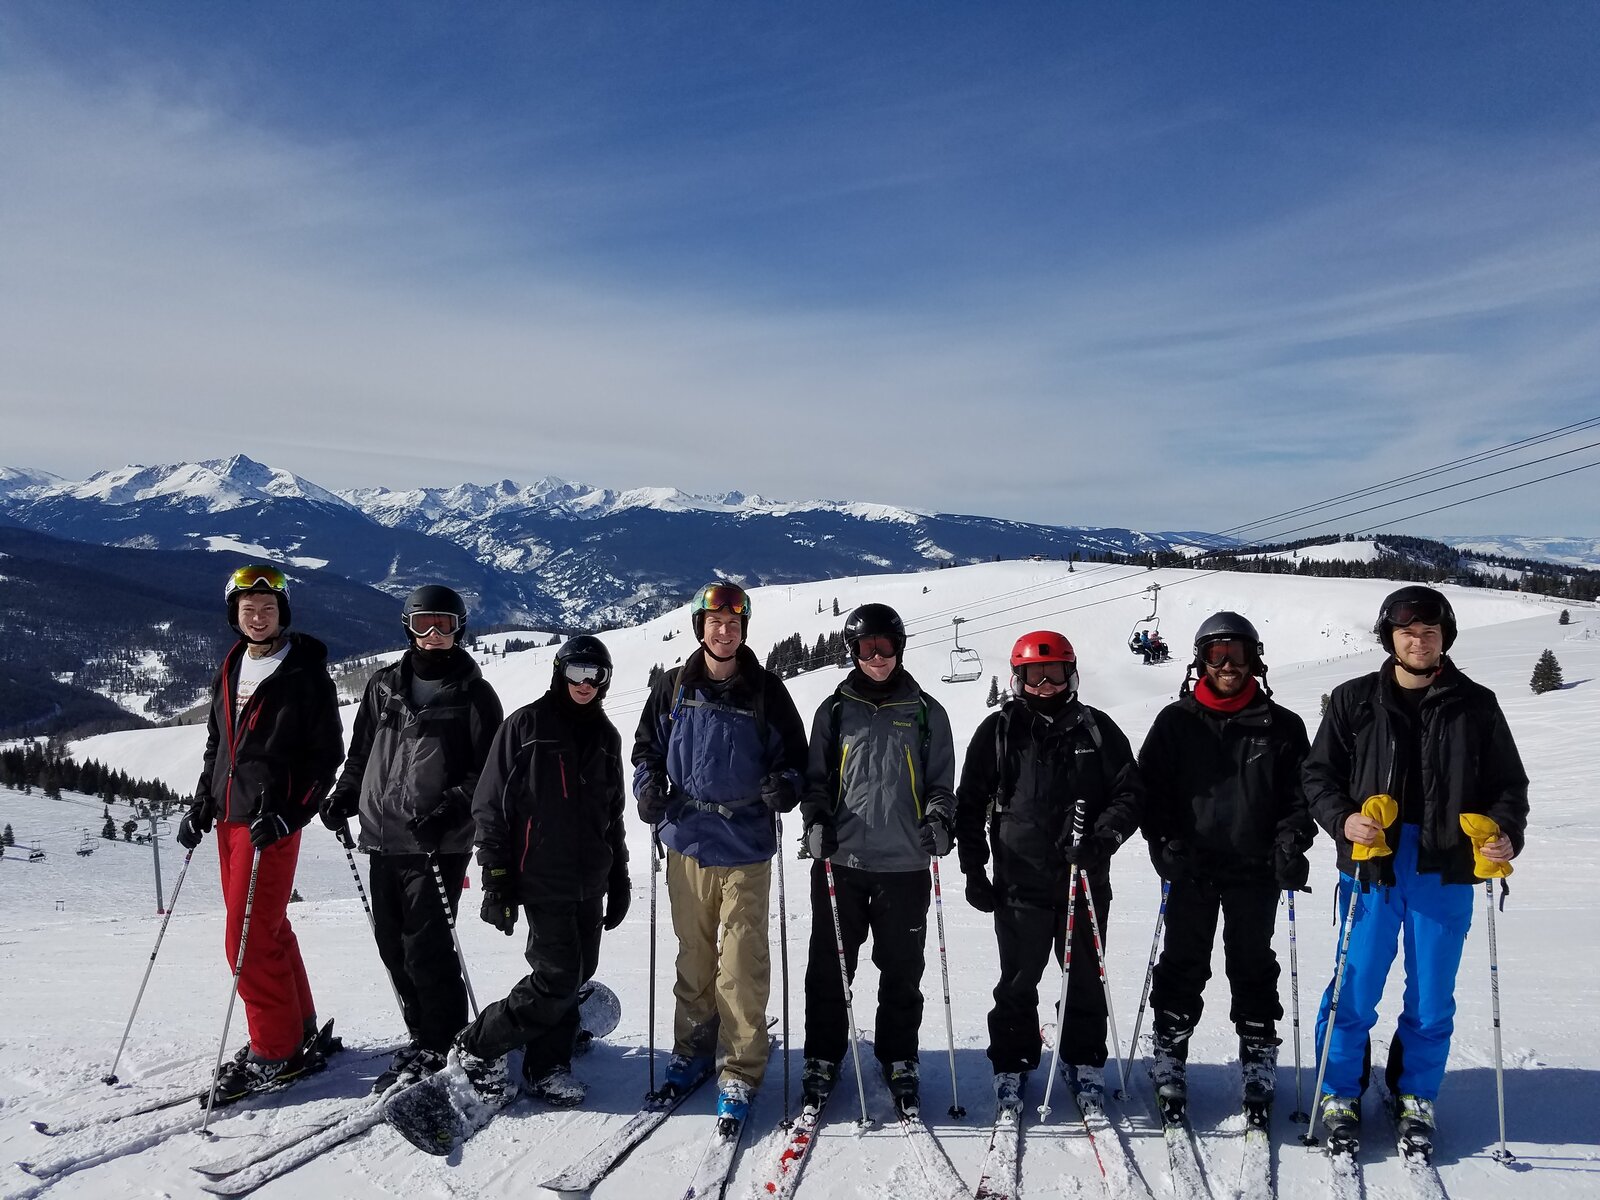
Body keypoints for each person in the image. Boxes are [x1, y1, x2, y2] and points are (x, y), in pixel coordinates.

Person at [1304, 585, 1526, 1151]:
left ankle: (1414, 1093)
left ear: (1445, 637)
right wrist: (1343, 820)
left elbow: (1508, 787)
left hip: (1445, 861)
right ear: (1390, 637)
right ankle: (1338, 1091)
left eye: (1430, 631)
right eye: (1407, 631)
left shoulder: (1476, 704)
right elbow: (1317, 777)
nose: (1419, 640)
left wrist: (1502, 834)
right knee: (1354, 987)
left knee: (1431, 995)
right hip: (1373, 863)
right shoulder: (1354, 701)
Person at [632, 580, 808, 1128]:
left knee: (740, 963)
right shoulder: (672, 688)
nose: (724, 632)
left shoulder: (765, 691)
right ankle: (692, 1050)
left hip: (746, 845)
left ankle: (740, 1066)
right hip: (685, 840)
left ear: (743, 630)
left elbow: (795, 759)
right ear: (700, 628)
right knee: (694, 956)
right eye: (715, 624)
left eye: (733, 624)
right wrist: (647, 788)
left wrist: (787, 785)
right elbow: (646, 750)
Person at [321, 585, 503, 1093]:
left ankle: (443, 1040)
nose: (433, 635)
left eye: (444, 625)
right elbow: (360, 754)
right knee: (391, 942)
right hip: (382, 837)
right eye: (423, 624)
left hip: (437, 841)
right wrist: (344, 795)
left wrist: (449, 810)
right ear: (407, 627)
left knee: (426, 942)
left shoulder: (474, 696)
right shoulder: (383, 687)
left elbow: (488, 771)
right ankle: (422, 1033)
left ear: (459, 630)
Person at [955, 631, 1144, 1113]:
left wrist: (1100, 840)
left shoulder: (1096, 729)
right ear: (1018, 679)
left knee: (1083, 974)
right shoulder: (999, 732)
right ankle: (1013, 1062)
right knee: (1018, 978)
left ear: (1070, 673)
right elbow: (971, 802)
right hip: (1019, 880)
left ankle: (1084, 1059)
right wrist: (974, 868)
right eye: (1034, 675)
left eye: (1054, 672)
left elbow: (1129, 794)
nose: (1044, 683)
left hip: (1083, 879)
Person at [177, 564, 345, 1105]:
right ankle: (297, 1027)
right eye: (248, 609)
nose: (257, 616)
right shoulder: (230, 666)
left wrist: (293, 813)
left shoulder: (304, 674)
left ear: (283, 612)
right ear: (234, 615)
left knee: (244, 939)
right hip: (229, 817)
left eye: (267, 608)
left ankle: (274, 1050)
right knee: (265, 930)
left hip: (266, 823)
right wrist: (203, 800)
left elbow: (326, 757)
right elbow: (217, 744)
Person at [1137, 611, 1314, 1119]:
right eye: (1216, 655)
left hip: (1254, 867)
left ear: (1254, 658)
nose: (1227, 664)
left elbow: (1300, 797)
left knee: (1253, 961)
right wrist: (1164, 841)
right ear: (1200, 662)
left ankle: (1257, 1054)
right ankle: (1170, 1051)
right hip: (1192, 866)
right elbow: (1152, 790)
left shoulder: (1281, 726)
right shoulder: (1177, 722)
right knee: (1183, 961)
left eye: (1237, 653)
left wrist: (1290, 843)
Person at [447, 635, 631, 1113]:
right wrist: (497, 878)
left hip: (590, 877)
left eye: (596, 675)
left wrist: (620, 877)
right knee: (555, 978)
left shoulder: (607, 736)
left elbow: (613, 814)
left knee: (579, 972)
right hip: (541, 875)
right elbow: (490, 806)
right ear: (559, 673)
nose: (585, 684)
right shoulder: (527, 725)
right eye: (576, 673)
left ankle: (548, 1062)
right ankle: (479, 1043)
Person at [796, 603, 957, 1114]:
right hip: (842, 863)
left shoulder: (926, 711)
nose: (878, 658)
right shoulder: (835, 710)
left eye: (886, 647)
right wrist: (815, 822)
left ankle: (899, 1055)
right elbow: (815, 781)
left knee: (902, 967)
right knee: (829, 966)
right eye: (867, 649)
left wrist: (939, 821)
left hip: (905, 866)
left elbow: (941, 783)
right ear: (854, 652)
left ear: (900, 648)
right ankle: (823, 1055)